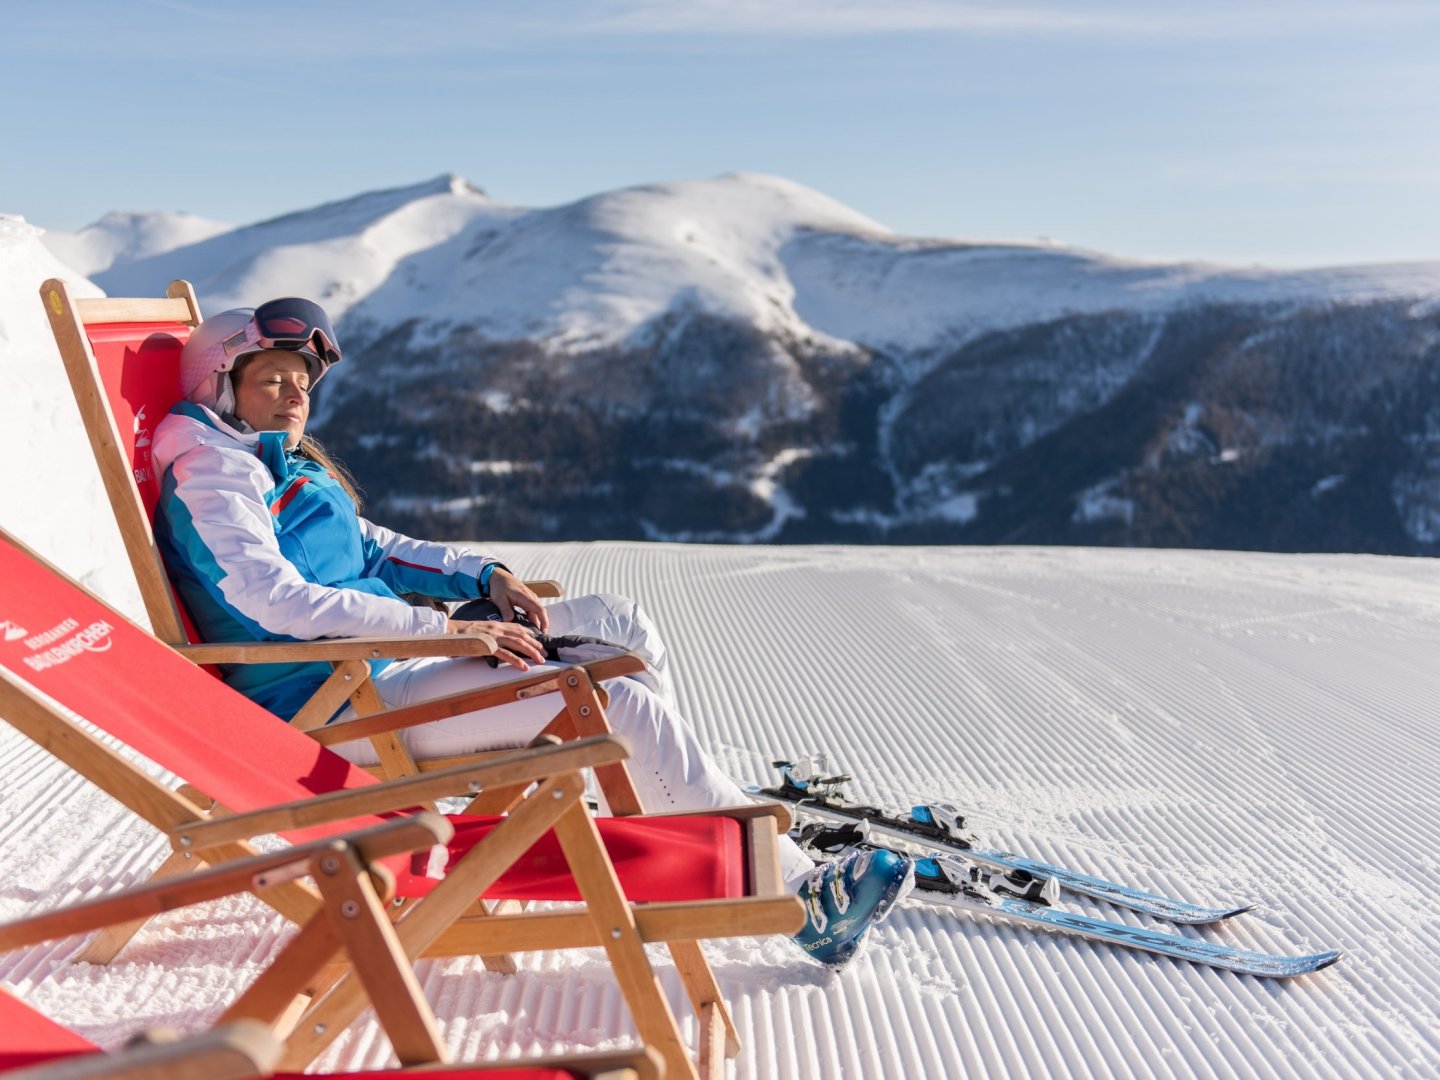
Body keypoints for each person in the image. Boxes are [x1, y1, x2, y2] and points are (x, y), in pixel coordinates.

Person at [151, 297, 912, 969]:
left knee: (616, 621)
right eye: (272, 379)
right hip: (332, 703)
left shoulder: (272, 460)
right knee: (619, 707)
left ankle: (661, 800)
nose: (295, 396)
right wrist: (443, 629)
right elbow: (272, 601)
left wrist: (484, 578)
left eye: (302, 382)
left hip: (387, 661)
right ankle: (800, 904)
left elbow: (373, 547)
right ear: (222, 384)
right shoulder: (214, 479)